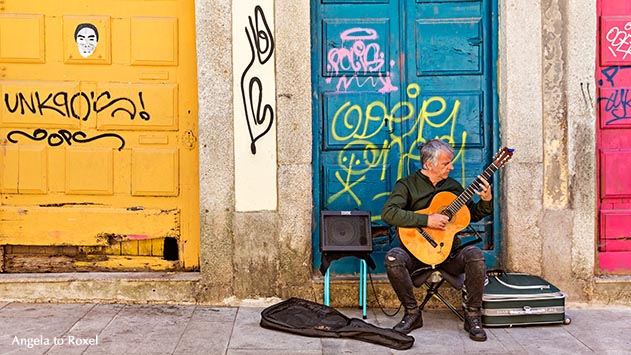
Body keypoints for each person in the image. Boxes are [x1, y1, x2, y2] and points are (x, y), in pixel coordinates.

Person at [381, 139, 493, 341]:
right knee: (393, 258)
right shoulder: (407, 185)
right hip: (417, 254)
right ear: (429, 164)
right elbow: (389, 213)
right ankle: (412, 314)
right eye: (446, 163)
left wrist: (486, 201)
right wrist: (427, 220)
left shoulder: (453, 187)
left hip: (449, 253)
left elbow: (471, 215)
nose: (451, 167)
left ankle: (473, 315)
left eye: (450, 162)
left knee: (475, 256)